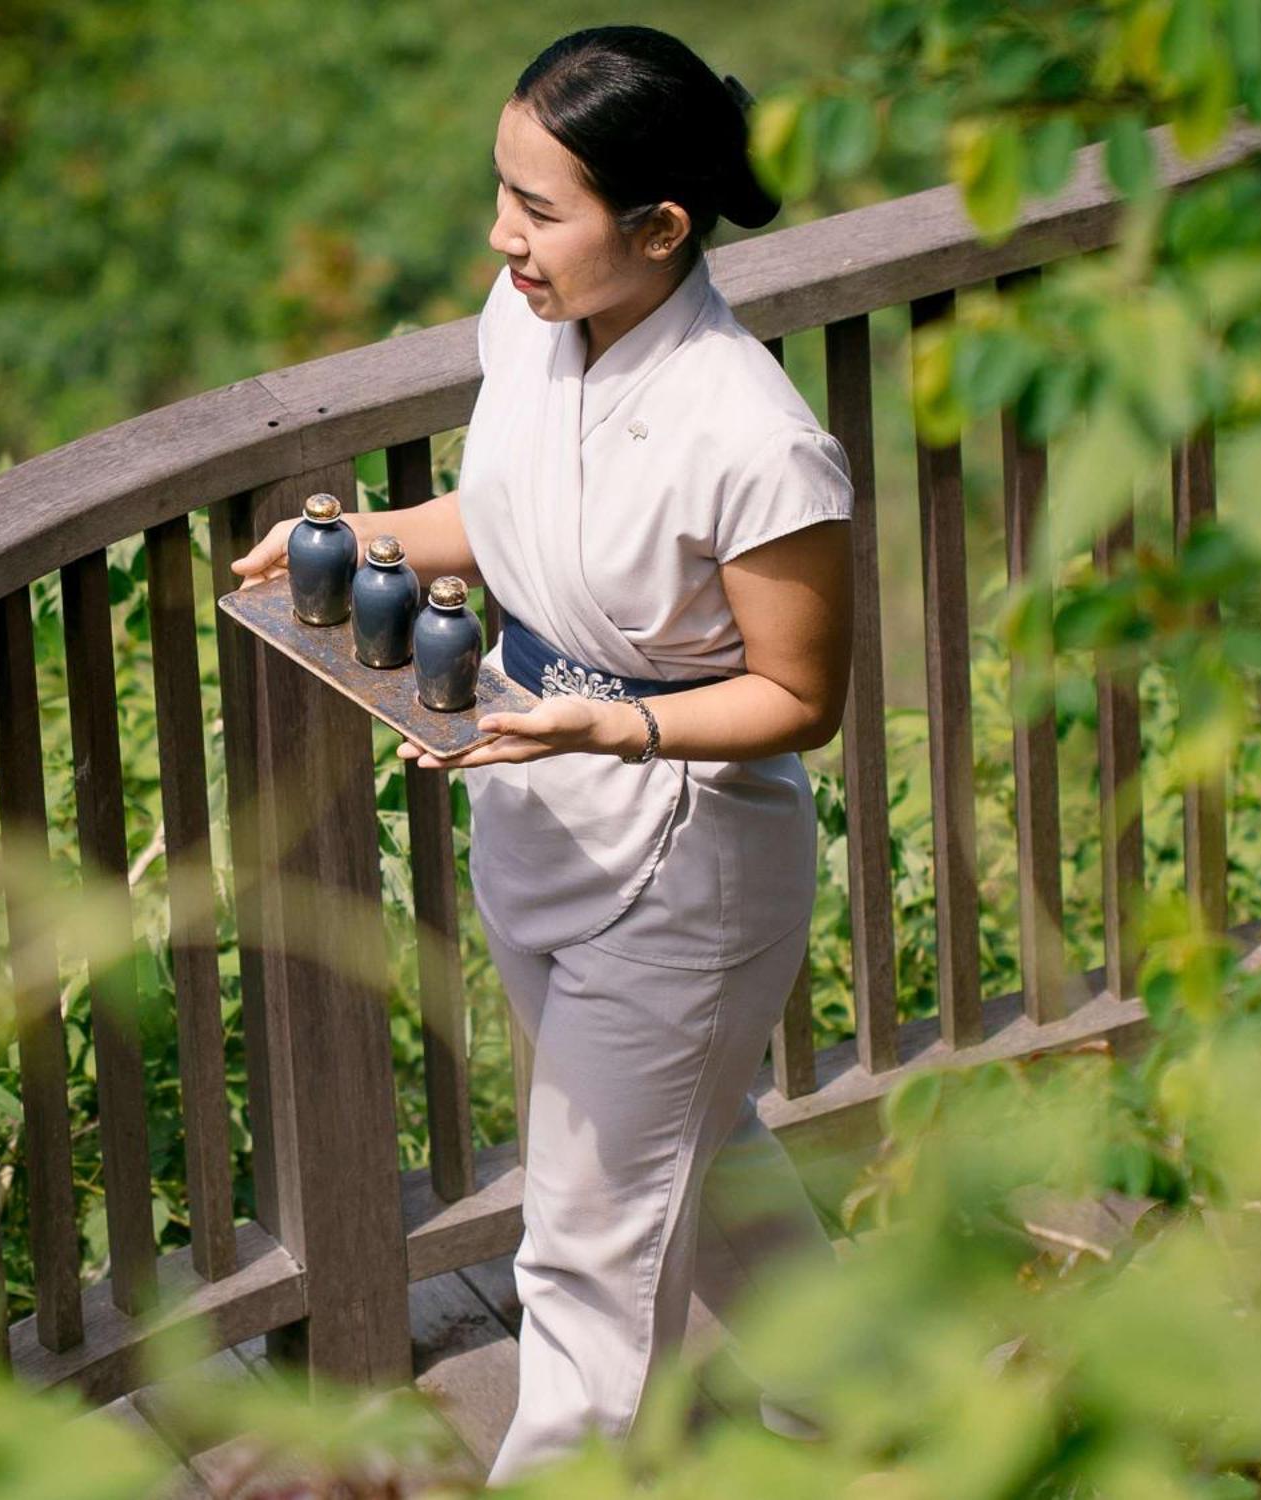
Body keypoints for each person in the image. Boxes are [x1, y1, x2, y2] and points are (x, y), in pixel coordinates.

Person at [232, 25, 854, 1487]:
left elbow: (801, 694)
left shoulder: (753, 436)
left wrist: (615, 721)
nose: (505, 239)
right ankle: (865, 1387)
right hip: (538, 799)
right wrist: (359, 540)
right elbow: (504, 513)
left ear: (659, 228)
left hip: (686, 849)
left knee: (581, 1238)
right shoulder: (530, 322)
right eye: (501, 194)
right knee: (697, 1138)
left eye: (542, 211)